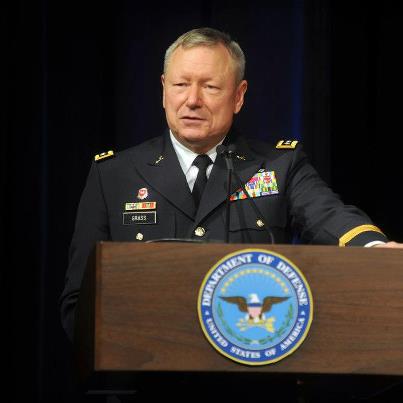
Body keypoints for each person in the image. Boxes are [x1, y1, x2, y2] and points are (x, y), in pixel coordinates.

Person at [60, 27, 401, 343]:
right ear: (163, 90)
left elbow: (328, 215)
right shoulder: (114, 174)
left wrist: (376, 251)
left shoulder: (278, 167)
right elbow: (78, 303)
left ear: (239, 96)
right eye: (181, 85)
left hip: (253, 373)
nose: (192, 100)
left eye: (210, 87)